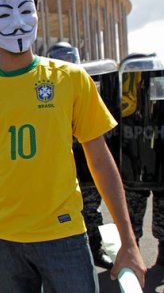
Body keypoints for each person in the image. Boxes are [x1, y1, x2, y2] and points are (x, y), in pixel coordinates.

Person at [0, 0, 146, 292]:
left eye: (27, 11)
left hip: (64, 236)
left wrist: (129, 241)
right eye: (5, 14)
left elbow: (100, 160)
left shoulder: (71, 79)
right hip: (4, 240)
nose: (18, 23)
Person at [46, 42, 113, 269]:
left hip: (86, 165)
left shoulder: (86, 85)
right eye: (61, 58)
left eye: (69, 57)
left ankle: (96, 250)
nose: (66, 63)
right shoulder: (47, 89)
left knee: (92, 210)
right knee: (59, 215)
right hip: (60, 169)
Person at [120, 52, 164, 267]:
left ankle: (137, 251)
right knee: (133, 213)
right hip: (139, 161)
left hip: (143, 161)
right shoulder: (122, 92)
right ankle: (133, 250)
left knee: (136, 212)